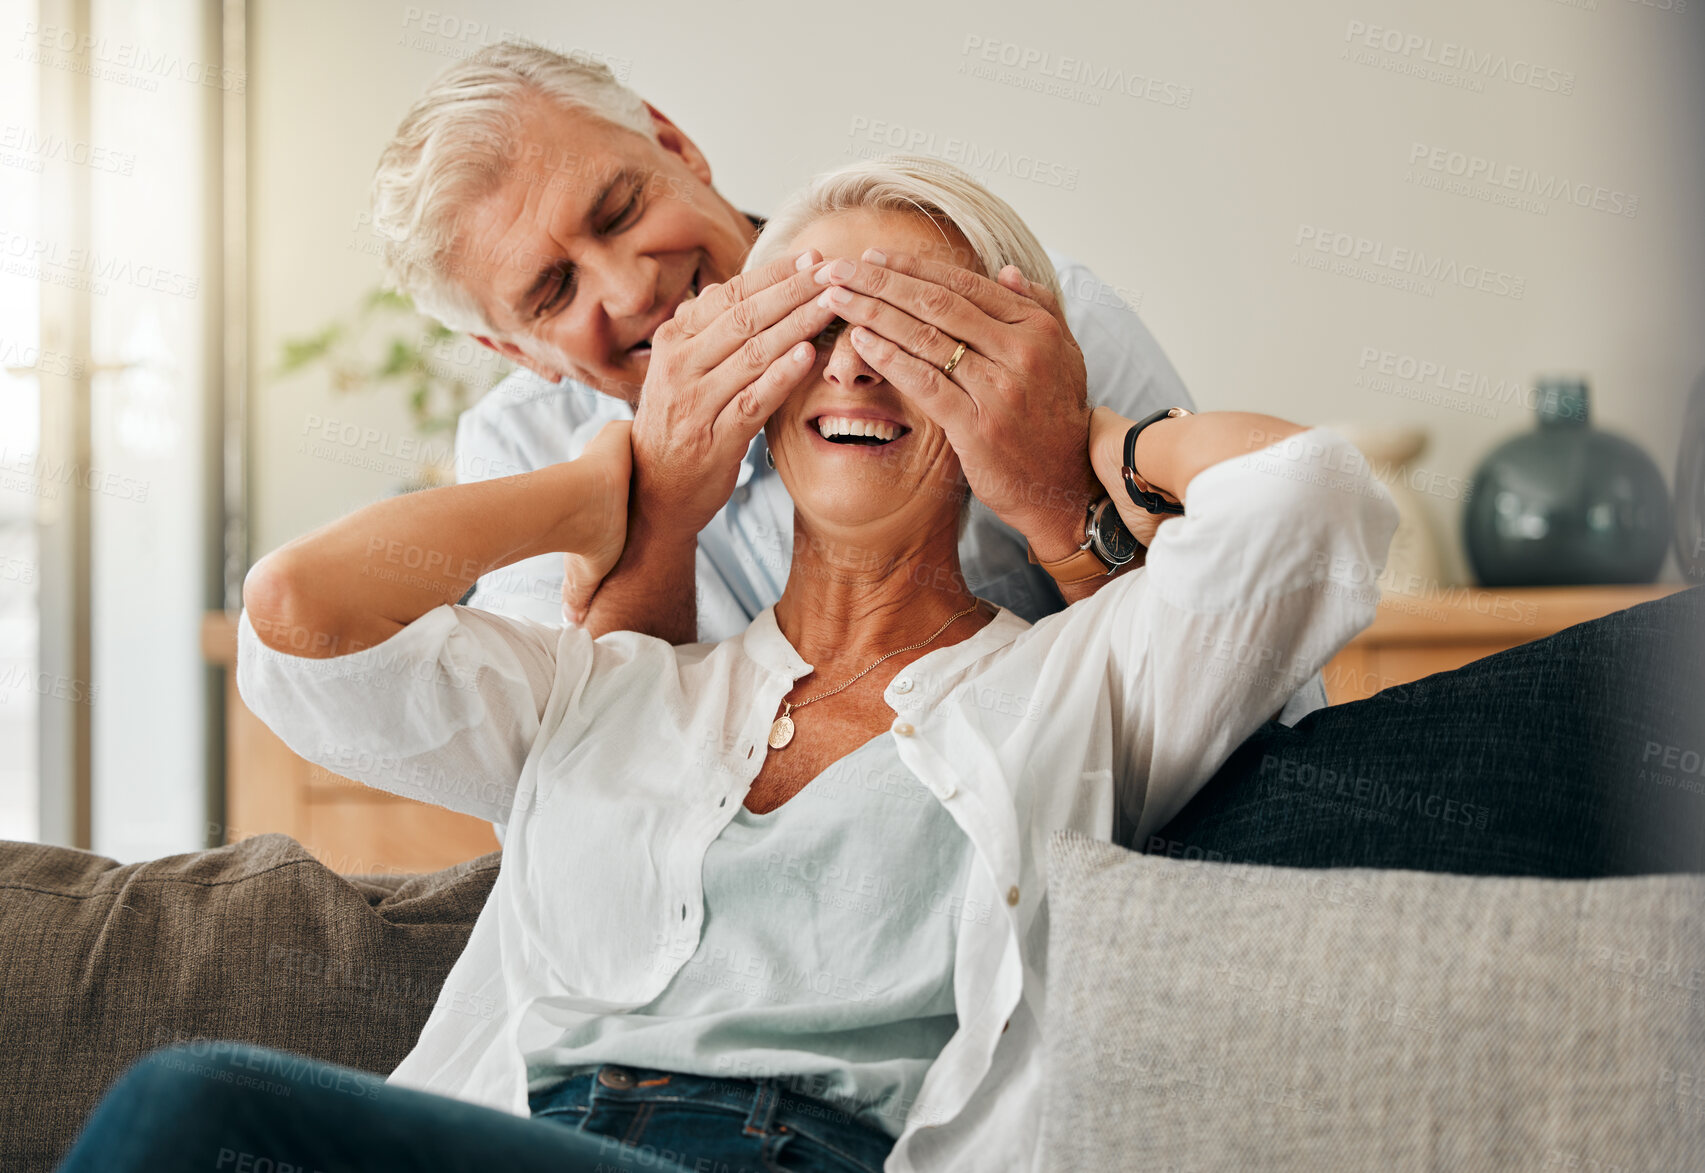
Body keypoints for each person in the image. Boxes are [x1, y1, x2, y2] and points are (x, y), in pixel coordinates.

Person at [54, 158, 1397, 1173]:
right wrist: (610, 490)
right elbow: (299, 617)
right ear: (747, 376)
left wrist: (1074, 447)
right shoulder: (616, 687)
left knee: (192, 1106)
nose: (857, 366)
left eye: (919, 327)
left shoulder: (1080, 679)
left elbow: (1312, 501)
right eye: (807, 325)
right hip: (524, 1138)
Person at [366, 39, 1330, 733]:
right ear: (521, 354)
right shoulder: (525, 445)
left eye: (621, 209)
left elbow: (1263, 697)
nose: (629, 287)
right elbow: (580, 785)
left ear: (675, 145)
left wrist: (1062, 502)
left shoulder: (1031, 321)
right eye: (553, 290)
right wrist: (655, 510)